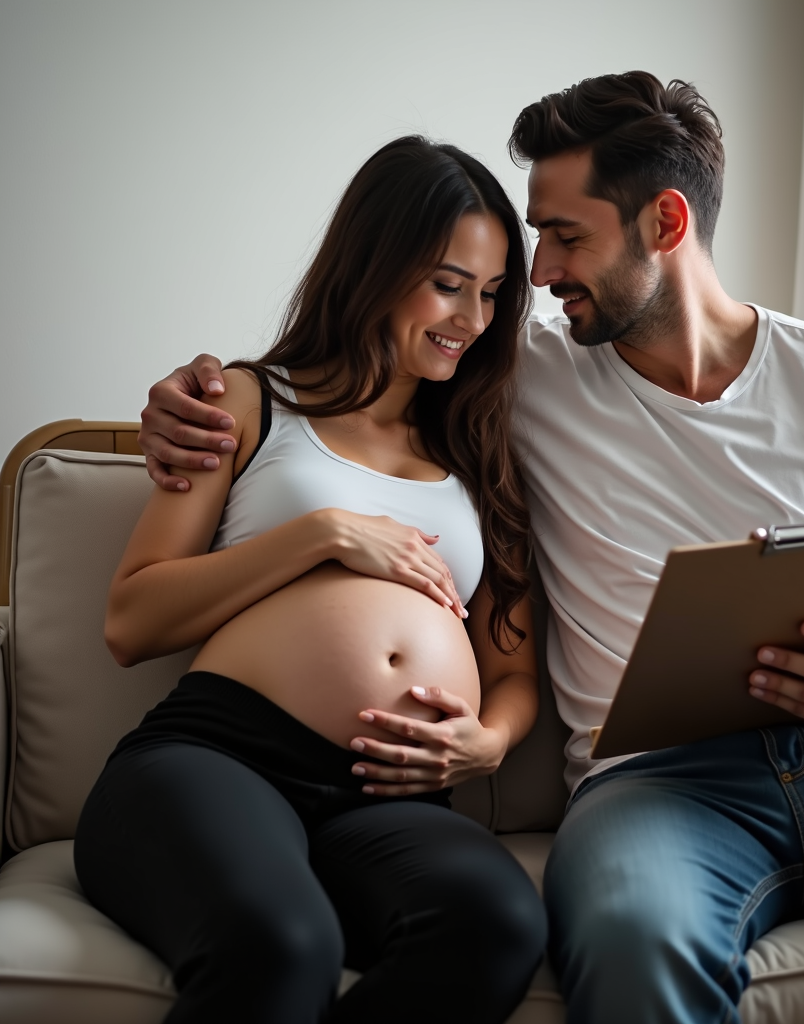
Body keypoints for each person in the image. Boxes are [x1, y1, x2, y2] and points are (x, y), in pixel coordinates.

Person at [138, 73, 804, 1023]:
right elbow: (354, 378)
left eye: (566, 236)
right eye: (535, 236)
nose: (539, 272)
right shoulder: (515, 373)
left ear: (665, 223)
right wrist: (185, 399)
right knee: (632, 949)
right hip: (659, 787)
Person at [74, 136, 548, 1024]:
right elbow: (130, 619)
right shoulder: (250, 403)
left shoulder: (484, 455)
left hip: (390, 798)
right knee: (279, 944)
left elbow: (514, 671)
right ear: (373, 265)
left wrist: (491, 742)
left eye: (491, 295)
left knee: (496, 924)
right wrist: (322, 537)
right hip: (219, 761)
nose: (471, 319)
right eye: (448, 283)